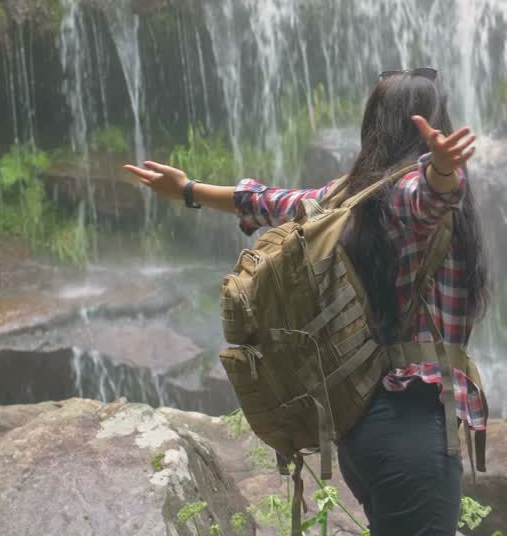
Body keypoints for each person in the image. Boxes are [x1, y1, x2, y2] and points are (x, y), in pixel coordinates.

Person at [125, 67, 486, 536]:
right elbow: (426, 201)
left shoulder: (344, 198)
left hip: (359, 424)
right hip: (413, 428)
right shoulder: (402, 197)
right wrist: (441, 172)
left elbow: (263, 201)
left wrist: (188, 191)